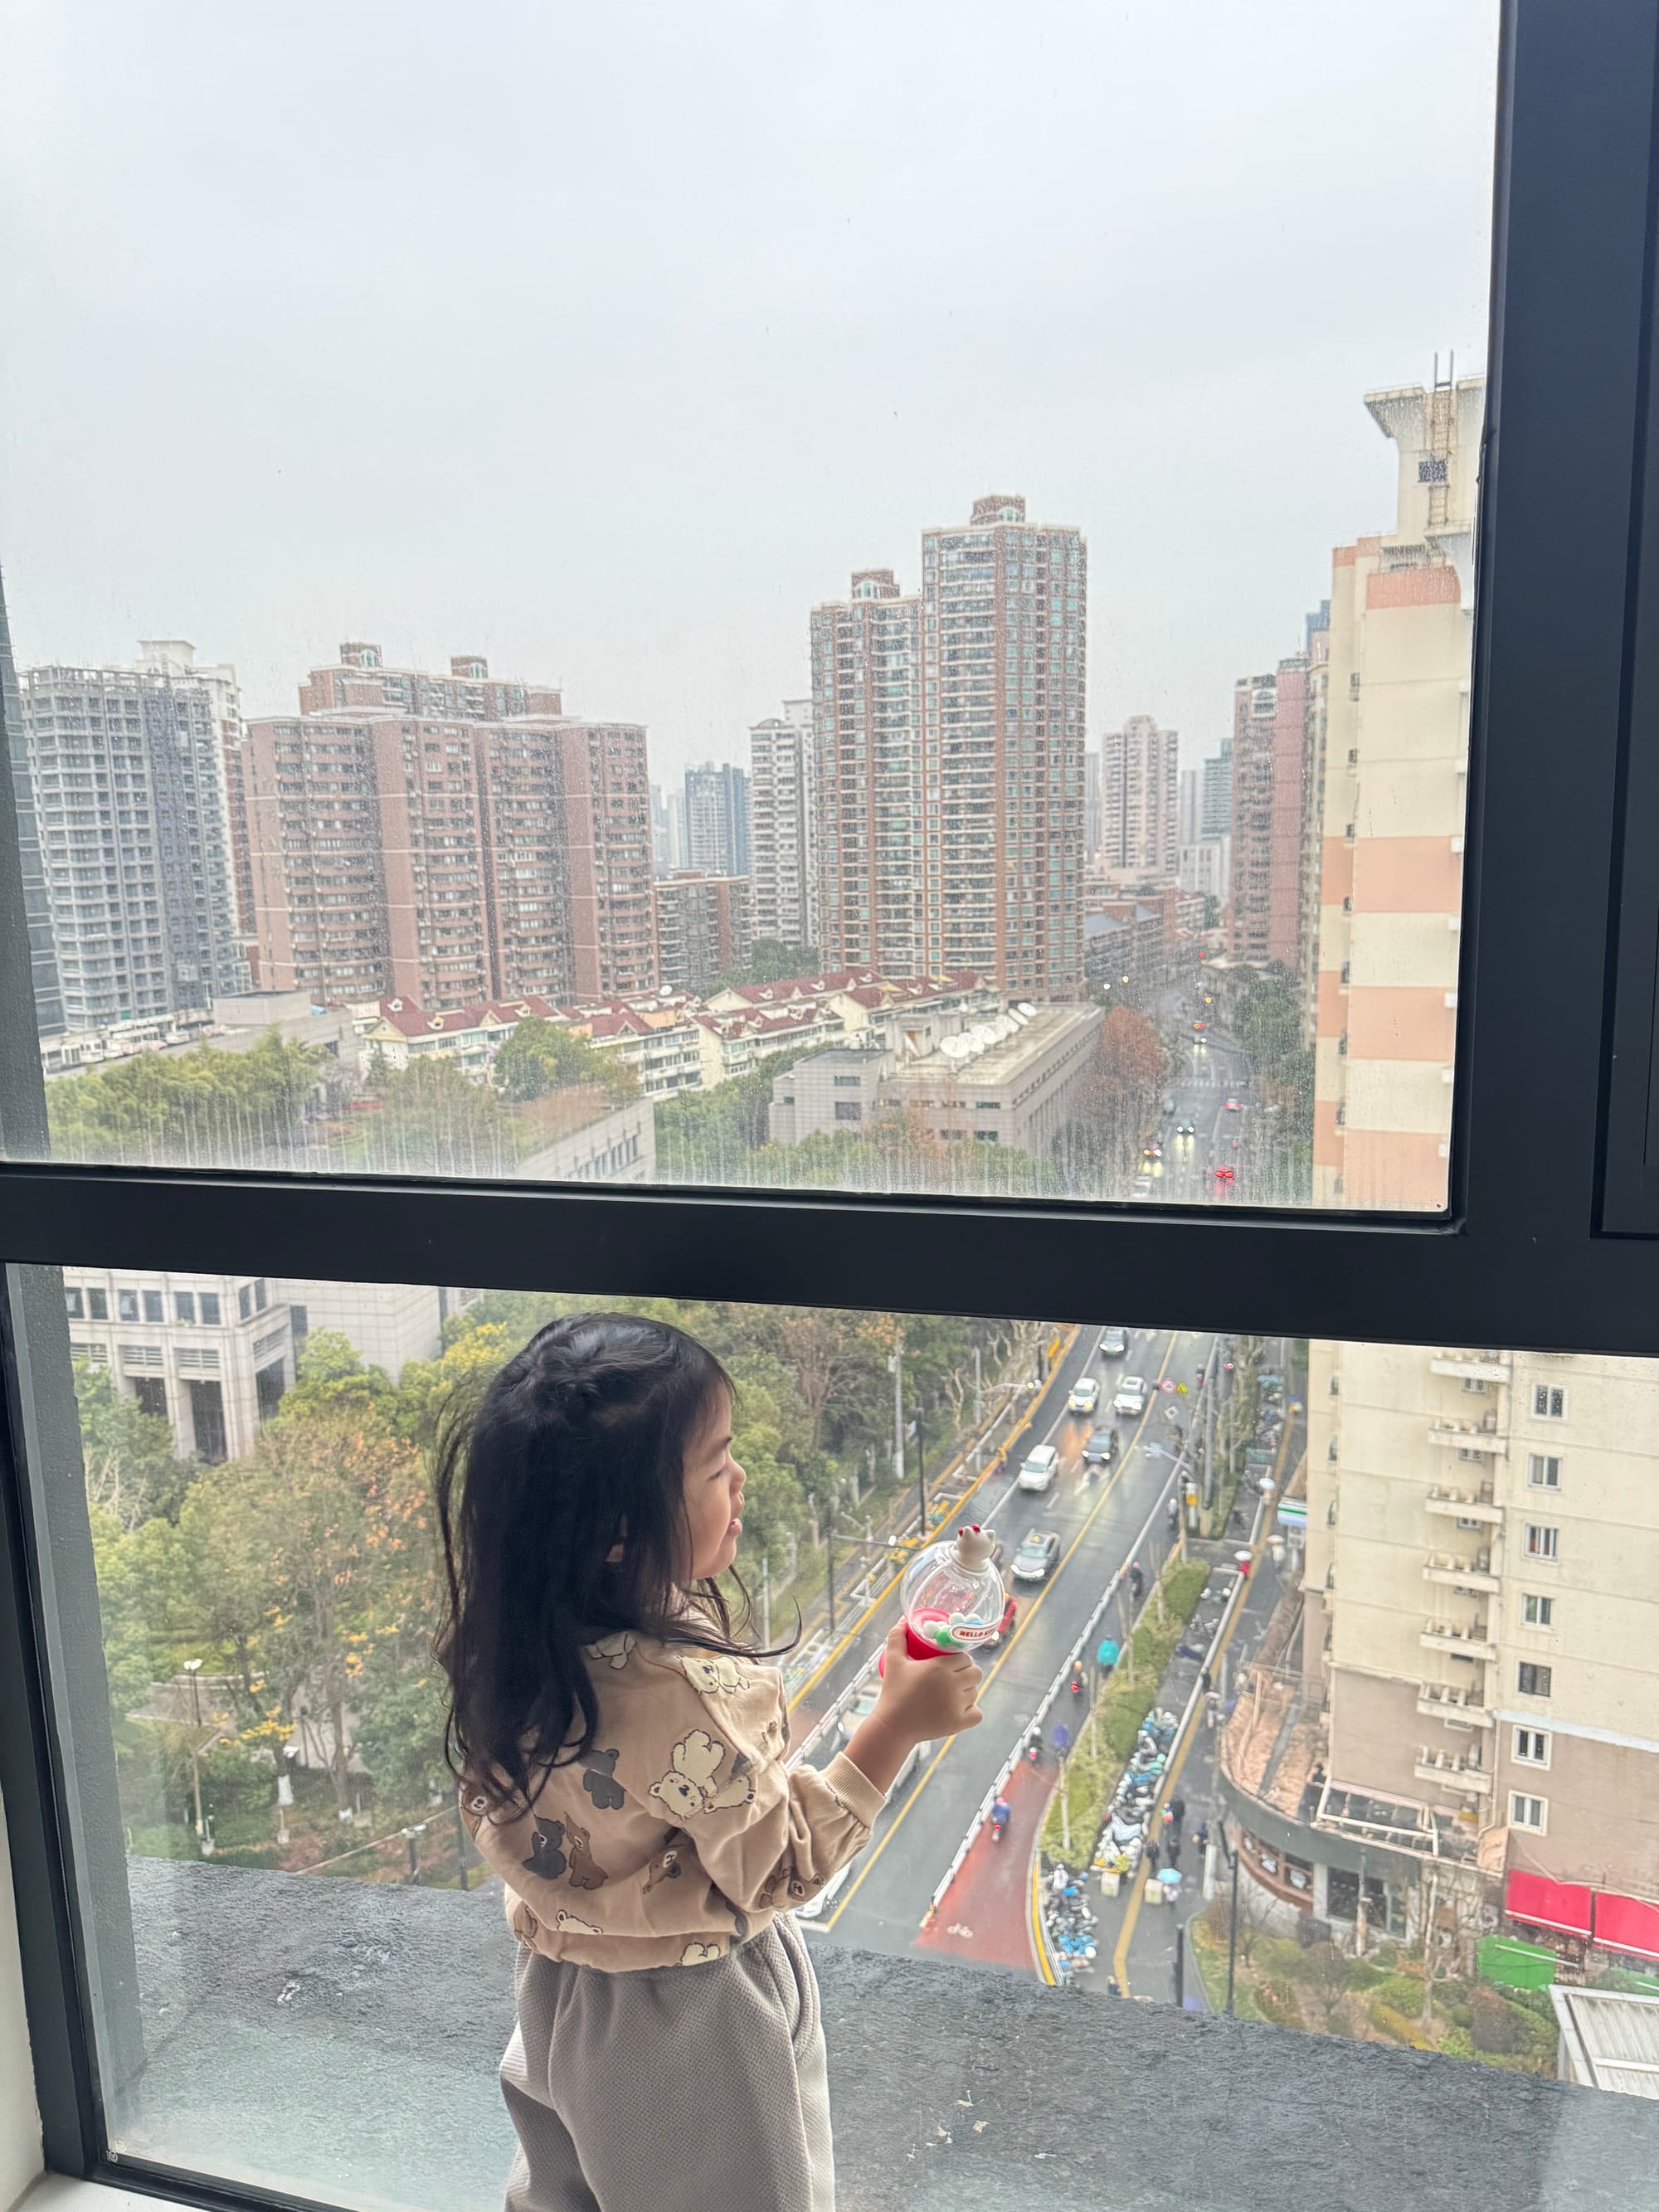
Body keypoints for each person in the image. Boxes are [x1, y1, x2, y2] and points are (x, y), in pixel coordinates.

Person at [437, 1312, 985, 2212]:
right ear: (620, 1527)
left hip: (556, 1995)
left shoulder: (510, 1649)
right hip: (696, 2019)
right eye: (716, 1464)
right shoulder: (693, 1692)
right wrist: (892, 1726)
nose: (742, 1478)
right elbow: (773, 1868)